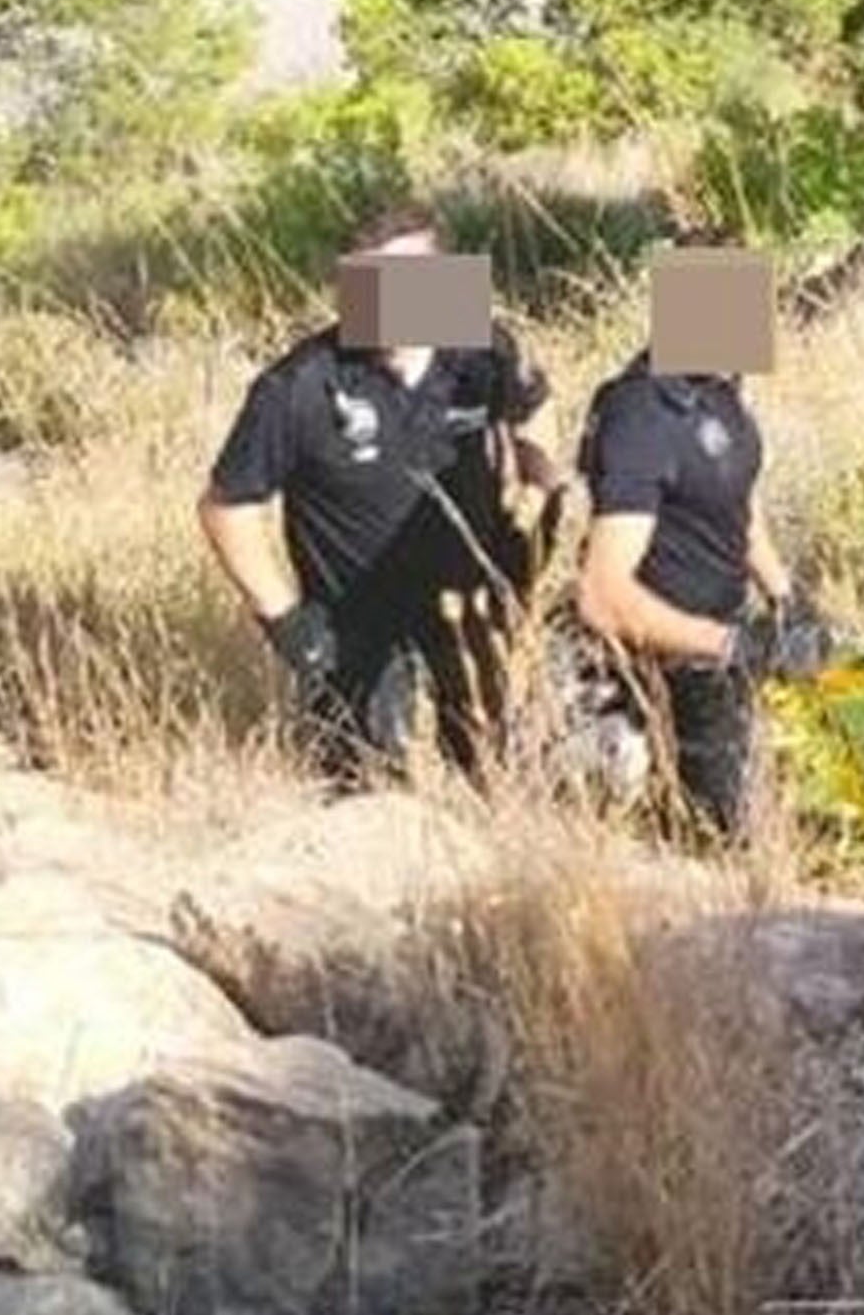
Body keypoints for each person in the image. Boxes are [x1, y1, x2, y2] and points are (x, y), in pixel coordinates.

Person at [195, 206, 560, 783]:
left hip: (471, 620)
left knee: (498, 781)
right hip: (360, 635)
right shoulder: (300, 386)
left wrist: (539, 501)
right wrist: (288, 625)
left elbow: (535, 408)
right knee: (372, 797)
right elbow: (227, 507)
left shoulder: (483, 351)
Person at [570, 240, 831, 845]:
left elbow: (736, 502)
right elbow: (603, 595)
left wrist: (787, 597)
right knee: (716, 843)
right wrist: (731, 645)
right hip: (666, 663)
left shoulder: (718, 386)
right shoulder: (643, 416)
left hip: (724, 642)